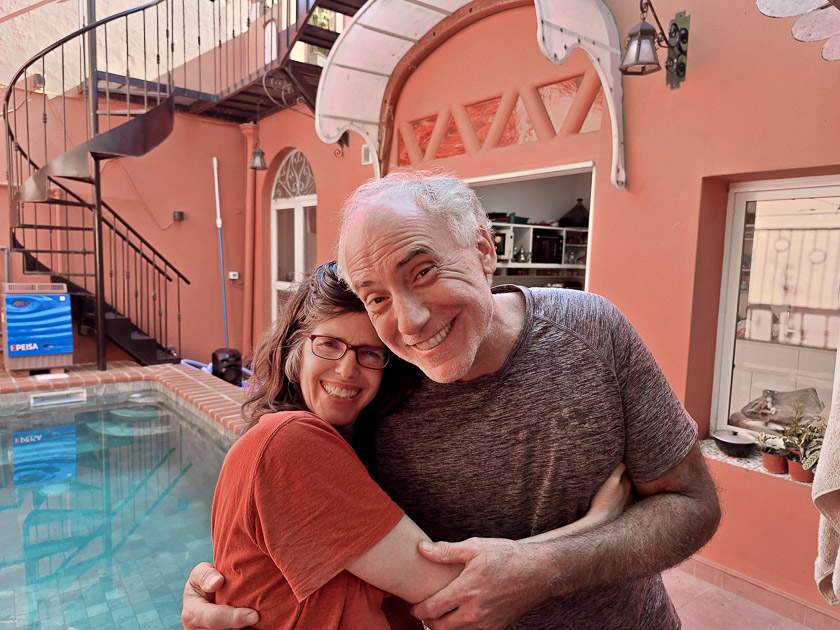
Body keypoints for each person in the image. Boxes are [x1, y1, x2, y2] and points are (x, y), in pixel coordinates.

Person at [183, 170, 721, 630]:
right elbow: (303, 499)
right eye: (377, 297)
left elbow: (692, 504)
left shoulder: (593, 331)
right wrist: (226, 584)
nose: (411, 321)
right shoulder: (378, 386)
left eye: (423, 271)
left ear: (484, 249)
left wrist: (553, 565)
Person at [206, 260, 631, 630]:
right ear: (296, 348)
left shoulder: (334, 446)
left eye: (370, 353)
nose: (348, 370)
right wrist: (596, 524)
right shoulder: (291, 441)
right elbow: (456, 593)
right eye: (329, 344)